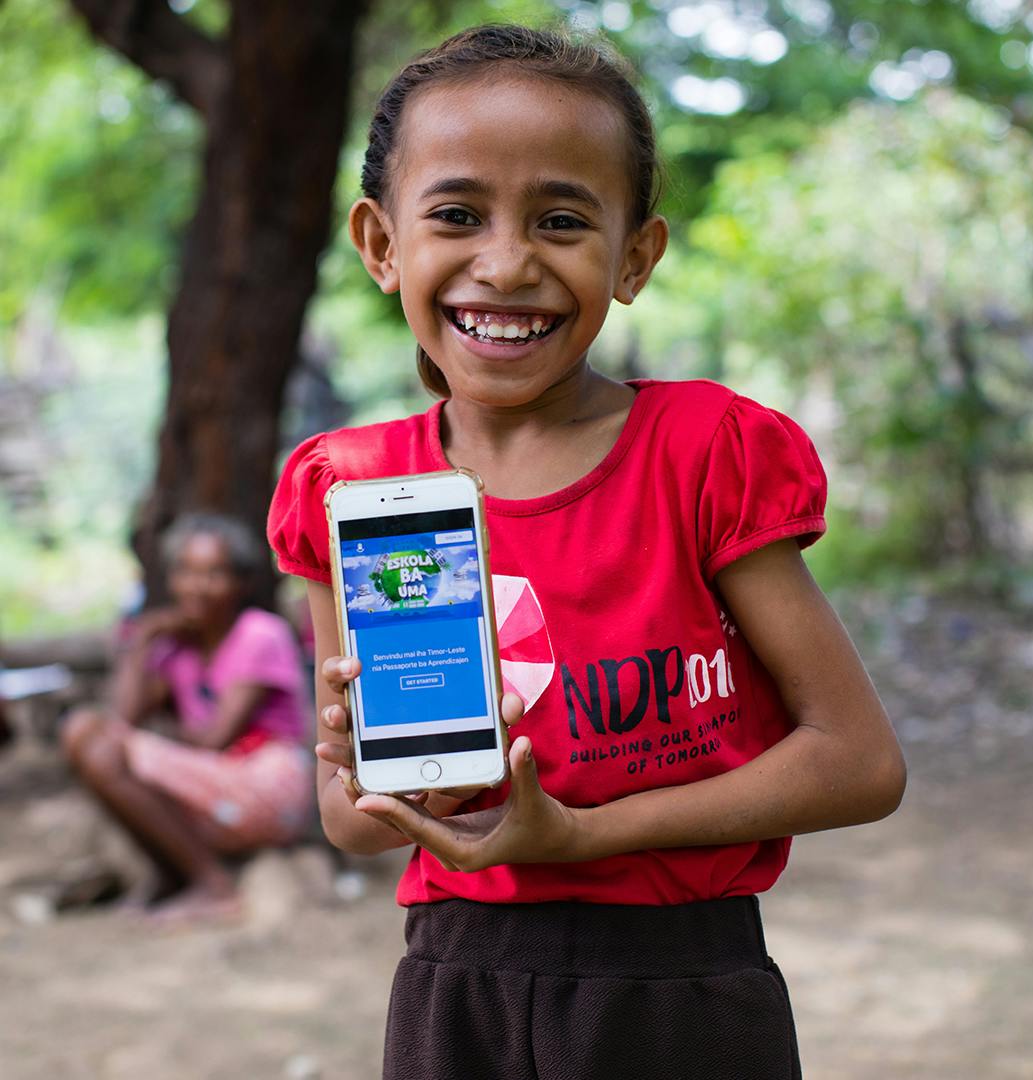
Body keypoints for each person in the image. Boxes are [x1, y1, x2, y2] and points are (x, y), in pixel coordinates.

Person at [267, 25, 907, 1079]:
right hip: (453, 990)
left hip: (683, 993)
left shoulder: (707, 454)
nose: (508, 262)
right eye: (458, 215)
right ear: (382, 245)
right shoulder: (353, 488)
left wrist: (582, 837)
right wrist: (366, 766)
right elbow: (353, 823)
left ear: (634, 257)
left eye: (562, 219)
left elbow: (857, 760)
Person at [61, 512, 313, 922]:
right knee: (89, 740)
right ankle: (173, 877)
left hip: (265, 782)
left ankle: (213, 886)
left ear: (241, 583)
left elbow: (215, 739)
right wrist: (143, 642)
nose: (197, 587)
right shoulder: (177, 650)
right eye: (187, 573)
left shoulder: (258, 634)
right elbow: (121, 718)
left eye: (214, 574)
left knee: (94, 739)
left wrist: (158, 736)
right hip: (214, 783)